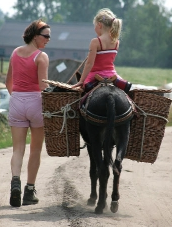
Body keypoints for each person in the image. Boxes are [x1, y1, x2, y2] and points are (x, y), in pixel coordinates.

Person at [5, 19, 50, 207]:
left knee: (18, 149)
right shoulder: (41, 56)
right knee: (36, 149)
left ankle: (15, 181)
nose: (48, 39)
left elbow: (8, 81)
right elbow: (43, 86)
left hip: (16, 100)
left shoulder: (15, 53)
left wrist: (17, 98)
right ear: (35, 35)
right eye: (45, 36)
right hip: (36, 103)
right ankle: (29, 191)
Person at [72, 8, 131, 93]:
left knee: (80, 97)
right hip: (112, 75)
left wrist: (81, 81)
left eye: (94, 25)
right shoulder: (116, 42)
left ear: (99, 25)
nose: (94, 28)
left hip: (95, 75)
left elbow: (89, 63)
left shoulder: (95, 42)